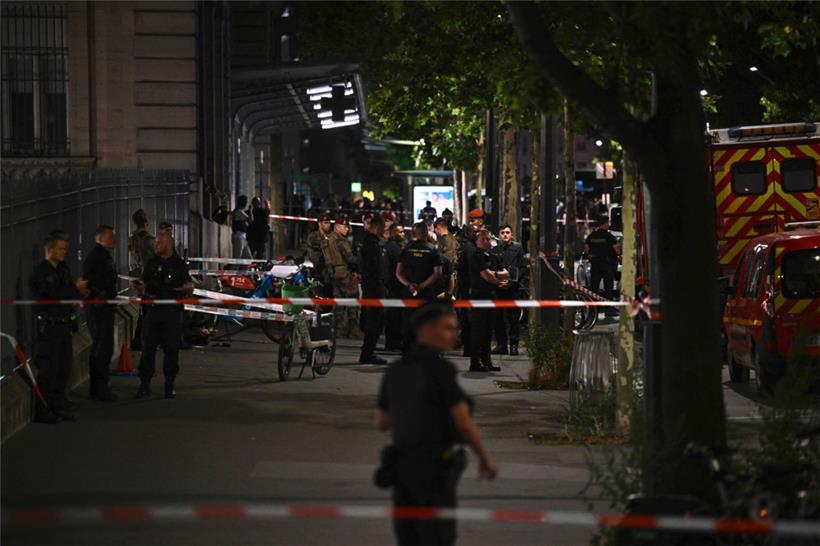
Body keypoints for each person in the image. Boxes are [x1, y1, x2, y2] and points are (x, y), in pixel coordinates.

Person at [376, 304, 498, 546]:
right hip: (435, 465)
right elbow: (462, 421)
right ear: (427, 330)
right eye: (449, 328)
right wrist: (485, 458)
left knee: (408, 535)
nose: (455, 334)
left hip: (401, 464)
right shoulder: (441, 370)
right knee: (437, 534)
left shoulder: (395, 370)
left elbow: (382, 421)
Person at [30, 233, 89, 423]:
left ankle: (58, 404)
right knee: (48, 369)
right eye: (61, 249)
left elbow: (68, 289)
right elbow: (56, 293)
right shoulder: (42, 272)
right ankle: (43, 410)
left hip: (64, 324)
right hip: (49, 326)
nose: (64, 252)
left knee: (63, 367)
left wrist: (77, 295)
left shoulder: (62, 268)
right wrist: (74, 288)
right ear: (50, 249)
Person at [134, 233, 193, 399]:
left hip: (172, 312)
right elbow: (144, 282)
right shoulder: (151, 263)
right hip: (153, 310)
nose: (155, 246)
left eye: (159, 243)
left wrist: (188, 287)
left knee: (171, 349)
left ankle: (169, 385)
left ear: (169, 245)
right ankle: (144, 385)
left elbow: (188, 284)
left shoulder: (179, 264)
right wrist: (141, 286)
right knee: (148, 349)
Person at [83, 225, 119, 401]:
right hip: (99, 308)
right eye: (110, 236)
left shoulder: (102, 256)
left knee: (102, 347)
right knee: (102, 347)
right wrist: (100, 296)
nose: (114, 240)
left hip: (102, 307)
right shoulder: (97, 257)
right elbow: (93, 281)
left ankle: (99, 387)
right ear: (100, 238)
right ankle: (99, 389)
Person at [468, 229, 508, 372]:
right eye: (483, 239)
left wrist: (495, 275)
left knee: (488, 330)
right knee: (478, 330)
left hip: (491, 296)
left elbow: (506, 272)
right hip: (479, 296)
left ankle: (486, 360)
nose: (486, 241)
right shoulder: (476, 256)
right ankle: (475, 362)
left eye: (488, 239)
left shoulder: (493, 256)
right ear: (477, 241)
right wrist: (497, 280)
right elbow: (486, 276)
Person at [491, 224, 529, 356]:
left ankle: (514, 346)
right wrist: (498, 282)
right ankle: (502, 345)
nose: (505, 235)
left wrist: (512, 282)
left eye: (507, 232)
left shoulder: (517, 249)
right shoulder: (494, 250)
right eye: (502, 233)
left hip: (513, 290)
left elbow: (523, 268)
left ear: (511, 234)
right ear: (499, 235)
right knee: (498, 319)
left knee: (514, 319)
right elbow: (491, 269)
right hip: (498, 289)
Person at [358, 214, 388, 364]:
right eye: (383, 226)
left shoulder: (372, 242)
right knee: (374, 321)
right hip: (373, 288)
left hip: (374, 287)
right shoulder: (371, 244)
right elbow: (372, 269)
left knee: (376, 321)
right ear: (377, 227)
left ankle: (368, 352)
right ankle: (367, 353)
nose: (384, 229)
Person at [323, 215, 359, 337]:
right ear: (337, 227)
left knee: (338, 302)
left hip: (332, 274)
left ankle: (339, 329)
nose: (347, 229)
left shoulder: (327, 239)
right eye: (345, 226)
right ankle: (353, 330)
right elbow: (350, 258)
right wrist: (361, 259)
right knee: (353, 299)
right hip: (344, 274)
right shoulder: (342, 241)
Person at [128, 209, 155, 351]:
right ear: (146, 222)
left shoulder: (132, 239)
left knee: (145, 309)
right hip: (149, 277)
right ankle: (140, 340)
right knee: (149, 311)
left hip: (139, 274)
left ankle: (139, 340)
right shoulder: (149, 239)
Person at [396, 222, 442, 303]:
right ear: (427, 233)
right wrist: (421, 286)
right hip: (427, 293)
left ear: (415, 233)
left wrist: (409, 285)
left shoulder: (405, 249)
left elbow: (398, 273)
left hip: (409, 292)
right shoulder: (433, 250)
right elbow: (437, 273)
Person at [585, 215, 620, 301]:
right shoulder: (609, 236)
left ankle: (593, 307)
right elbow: (617, 250)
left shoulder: (591, 236)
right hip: (607, 265)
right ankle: (609, 308)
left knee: (594, 287)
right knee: (608, 288)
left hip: (595, 264)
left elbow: (587, 249)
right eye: (608, 223)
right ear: (604, 223)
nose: (609, 225)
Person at [383, 224, 406, 352]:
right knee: (394, 315)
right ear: (393, 233)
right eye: (400, 232)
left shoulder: (392, 246)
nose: (403, 234)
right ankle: (393, 343)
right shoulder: (393, 248)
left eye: (403, 232)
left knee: (394, 314)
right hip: (394, 284)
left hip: (393, 284)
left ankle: (392, 342)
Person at [455, 225, 477, 356]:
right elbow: (471, 269)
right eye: (474, 232)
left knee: (466, 318)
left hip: (465, 287)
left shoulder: (466, 247)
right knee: (470, 319)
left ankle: (468, 347)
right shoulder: (470, 249)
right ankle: (469, 347)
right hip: (469, 288)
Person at [305, 213, 333, 296]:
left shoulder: (332, 236)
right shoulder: (313, 236)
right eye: (325, 222)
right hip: (320, 270)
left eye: (329, 222)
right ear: (319, 224)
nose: (328, 225)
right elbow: (314, 255)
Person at [433, 218, 457, 299]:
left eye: (435, 230)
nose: (435, 232)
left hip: (448, 278)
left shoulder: (447, 240)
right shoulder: (447, 238)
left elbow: (448, 259)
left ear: (438, 228)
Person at [231, 195, 253, 259]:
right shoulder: (239, 212)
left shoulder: (239, 211)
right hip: (239, 237)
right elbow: (250, 220)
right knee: (237, 259)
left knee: (248, 259)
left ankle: (243, 269)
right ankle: (233, 269)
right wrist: (250, 210)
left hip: (243, 237)